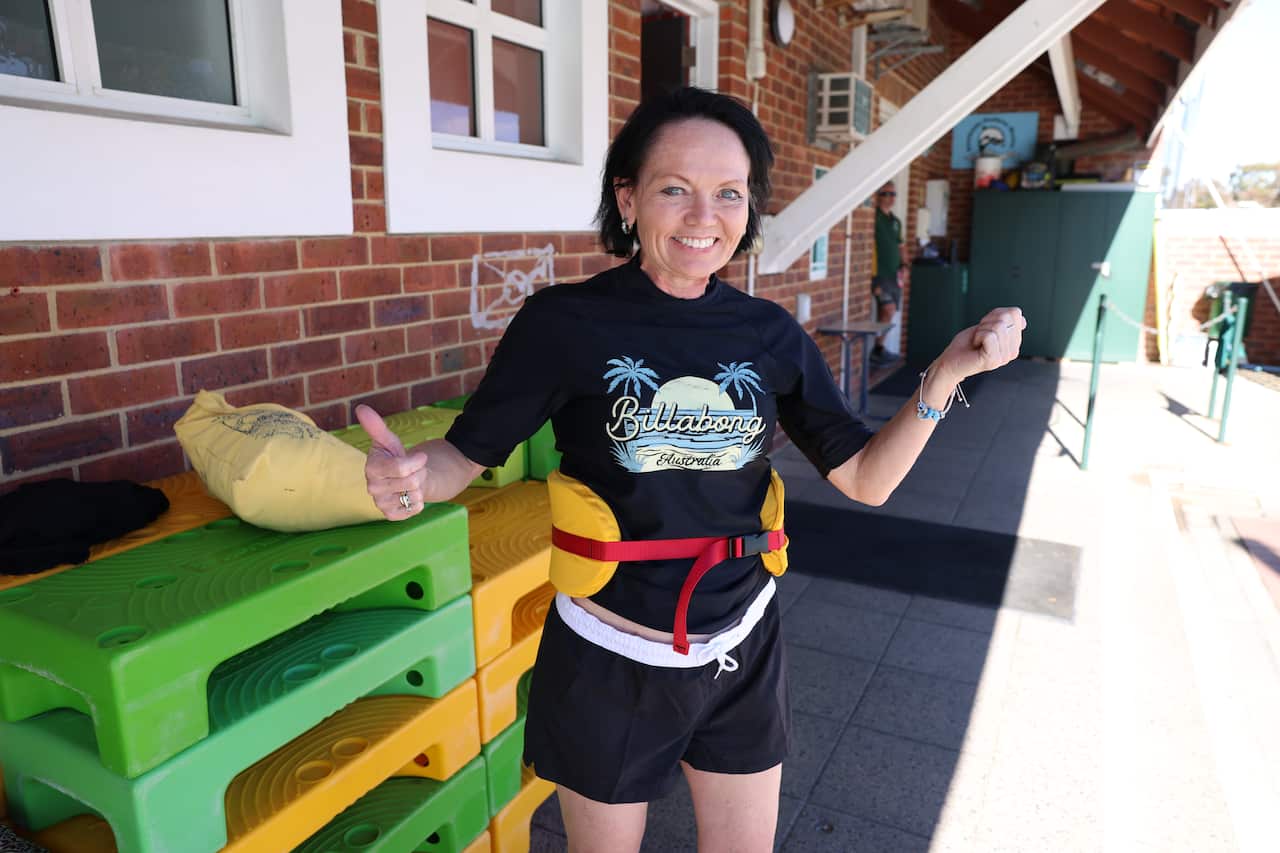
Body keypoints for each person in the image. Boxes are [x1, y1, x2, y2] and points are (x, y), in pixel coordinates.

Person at [358, 87, 1025, 853]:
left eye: (729, 193)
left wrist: (945, 373)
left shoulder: (768, 332)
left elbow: (866, 479)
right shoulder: (564, 323)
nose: (704, 216)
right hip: (610, 656)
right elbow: (461, 457)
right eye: (675, 188)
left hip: (743, 643)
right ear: (628, 198)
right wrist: (413, 479)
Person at [871, 180, 909, 365]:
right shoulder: (874, 217)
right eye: (885, 193)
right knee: (888, 308)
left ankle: (879, 349)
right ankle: (877, 348)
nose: (890, 197)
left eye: (893, 194)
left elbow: (901, 246)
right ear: (878, 196)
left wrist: (905, 265)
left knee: (888, 313)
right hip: (878, 274)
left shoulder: (895, 221)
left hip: (894, 276)